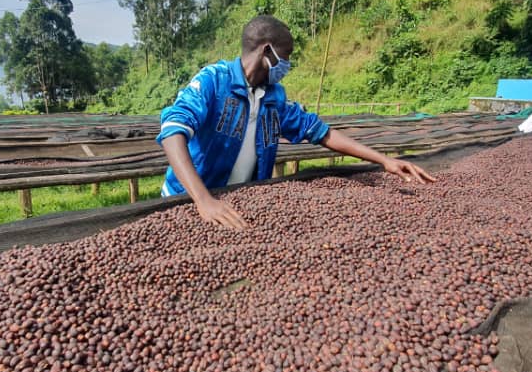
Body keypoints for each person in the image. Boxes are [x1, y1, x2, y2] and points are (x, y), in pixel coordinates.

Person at [157, 15, 435, 230]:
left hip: (236, 201)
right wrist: (204, 201)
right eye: (285, 57)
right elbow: (172, 131)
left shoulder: (275, 98)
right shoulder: (213, 81)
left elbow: (320, 132)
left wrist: (383, 160)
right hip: (188, 201)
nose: (287, 65)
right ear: (267, 52)